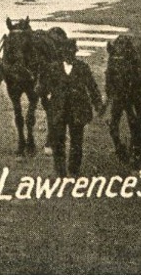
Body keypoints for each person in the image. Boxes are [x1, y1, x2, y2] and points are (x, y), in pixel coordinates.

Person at [41, 37, 103, 177]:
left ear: (75, 53)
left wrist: (98, 104)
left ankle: (74, 169)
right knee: (58, 141)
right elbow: (43, 88)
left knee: (77, 141)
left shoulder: (82, 67)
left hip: (77, 110)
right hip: (59, 110)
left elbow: (92, 87)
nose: (69, 55)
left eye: (71, 52)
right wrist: (48, 104)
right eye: (66, 52)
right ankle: (60, 171)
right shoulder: (53, 68)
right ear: (62, 53)